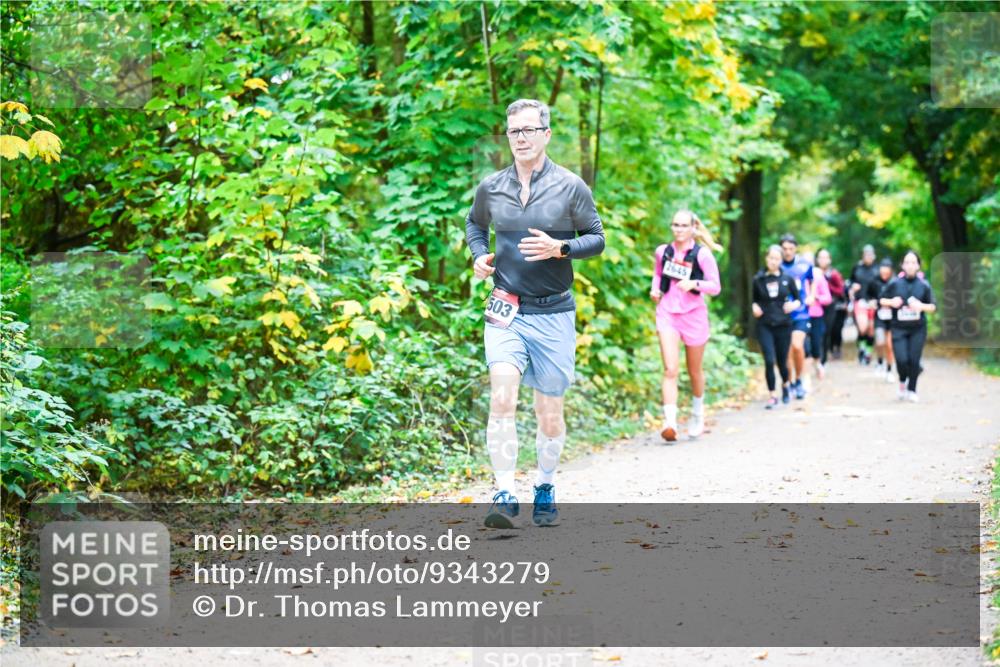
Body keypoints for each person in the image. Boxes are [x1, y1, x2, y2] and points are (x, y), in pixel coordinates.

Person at [465, 98, 605, 528]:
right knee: (502, 399)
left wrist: (561, 247)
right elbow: (474, 225)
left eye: (528, 130)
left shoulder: (570, 186)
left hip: (554, 313)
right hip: (506, 310)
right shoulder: (491, 187)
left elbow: (597, 239)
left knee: (549, 413)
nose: (520, 138)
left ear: (546, 134)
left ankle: (544, 485)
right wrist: (479, 255)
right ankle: (505, 494)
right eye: (513, 131)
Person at [649, 209, 723, 441]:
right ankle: (670, 423)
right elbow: (658, 274)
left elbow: (715, 286)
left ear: (693, 228)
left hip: (694, 316)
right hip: (667, 314)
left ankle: (697, 413)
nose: (679, 229)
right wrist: (655, 289)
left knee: (694, 371)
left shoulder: (702, 255)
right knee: (670, 369)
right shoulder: (664, 251)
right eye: (675, 225)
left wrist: (694, 283)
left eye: (683, 225)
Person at [879, 250, 936, 402]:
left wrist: (920, 306)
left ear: (918, 266)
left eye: (913, 262)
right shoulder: (894, 283)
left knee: (914, 359)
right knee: (902, 360)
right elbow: (881, 300)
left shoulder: (924, 285)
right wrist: (892, 302)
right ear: (902, 265)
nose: (910, 265)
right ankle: (902, 381)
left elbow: (933, 306)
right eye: (907, 262)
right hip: (898, 328)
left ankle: (912, 389)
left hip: (918, 328)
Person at [752, 245, 800, 408]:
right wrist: (754, 307)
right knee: (769, 359)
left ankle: (786, 385)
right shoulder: (758, 279)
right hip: (765, 324)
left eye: (776, 259)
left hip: (784, 324)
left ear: (781, 261)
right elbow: (754, 300)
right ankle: (772, 394)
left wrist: (793, 305)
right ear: (766, 259)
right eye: (770, 258)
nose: (773, 261)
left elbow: (798, 299)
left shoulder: (787, 279)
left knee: (782, 360)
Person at [779, 234, 816, 399]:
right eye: (784, 249)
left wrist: (812, 295)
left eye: (790, 249)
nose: (787, 252)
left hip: (801, 312)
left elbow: (812, 280)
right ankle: (792, 381)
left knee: (797, 346)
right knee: (787, 351)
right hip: (783, 314)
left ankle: (800, 379)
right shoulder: (776, 265)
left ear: (796, 249)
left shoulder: (804, 265)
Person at [804, 251, 833, 379]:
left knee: (816, 344)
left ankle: (817, 364)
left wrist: (817, 297)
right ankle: (804, 375)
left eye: (809, 262)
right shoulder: (797, 277)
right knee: (804, 346)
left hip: (816, 315)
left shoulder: (818, 276)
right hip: (801, 316)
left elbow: (828, 298)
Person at [849, 245, 879, 365]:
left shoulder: (877, 269)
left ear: (874, 256)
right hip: (860, 300)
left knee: (871, 330)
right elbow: (850, 282)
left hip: (872, 302)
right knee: (863, 328)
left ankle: (867, 353)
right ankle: (861, 348)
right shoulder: (857, 268)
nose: (868, 257)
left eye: (870, 254)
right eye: (866, 254)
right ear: (863, 255)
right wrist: (852, 287)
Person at [816, 248, 846, 361]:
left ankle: (824, 357)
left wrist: (828, 286)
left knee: (827, 331)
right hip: (816, 306)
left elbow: (840, 290)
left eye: (825, 257)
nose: (823, 260)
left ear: (829, 260)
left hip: (831, 306)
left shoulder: (834, 274)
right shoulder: (813, 272)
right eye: (821, 257)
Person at [871, 257, 896, 383]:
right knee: (880, 341)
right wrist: (872, 302)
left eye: (887, 272)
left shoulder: (896, 282)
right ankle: (880, 362)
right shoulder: (875, 282)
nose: (884, 275)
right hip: (879, 316)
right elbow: (868, 296)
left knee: (890, 345)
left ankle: (889, 369)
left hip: (892, 317)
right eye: (882, 272)